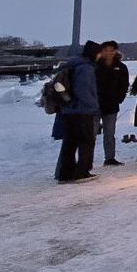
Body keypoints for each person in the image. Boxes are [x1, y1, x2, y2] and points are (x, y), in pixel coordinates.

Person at [52, 41, 101, 182]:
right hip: (82, 111)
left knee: (70, 142)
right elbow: (84, 90)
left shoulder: (73, 64)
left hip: (68, 110)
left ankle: (65, 173)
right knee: (86, 141)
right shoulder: (86, 68)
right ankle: (82, 172)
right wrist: (94, 105)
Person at [94, 41, 131, 167]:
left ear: (115, 51)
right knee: (91, 132)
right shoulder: (95, 66)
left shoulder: (120, 67)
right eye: (106, 50)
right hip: (95, 105)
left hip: (111, 105)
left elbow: (124, 85)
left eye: (111, 50)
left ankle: (110, 157)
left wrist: (119, 98)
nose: (109, 53)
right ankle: (87, 158)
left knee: (109, 133)